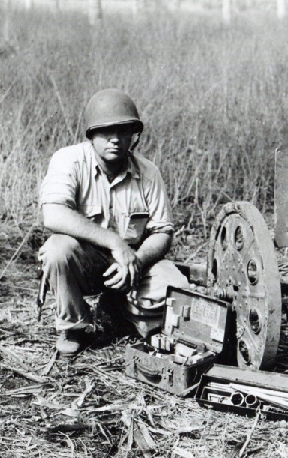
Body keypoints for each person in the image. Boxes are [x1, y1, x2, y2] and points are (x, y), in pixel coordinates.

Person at [38, 88, 188, 357]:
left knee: (176, 288)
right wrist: (114, 242)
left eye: (124, 131)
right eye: (106, 132)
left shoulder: (149, 172)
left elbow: (163, 231)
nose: (116, 140)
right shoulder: (68, 160)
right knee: (56, 250)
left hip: (133, 264)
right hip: (86, 261)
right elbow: (53, 214)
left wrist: (137, 261)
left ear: (134, 135)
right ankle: (74, 327)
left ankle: (118, 307)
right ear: (91, 136)